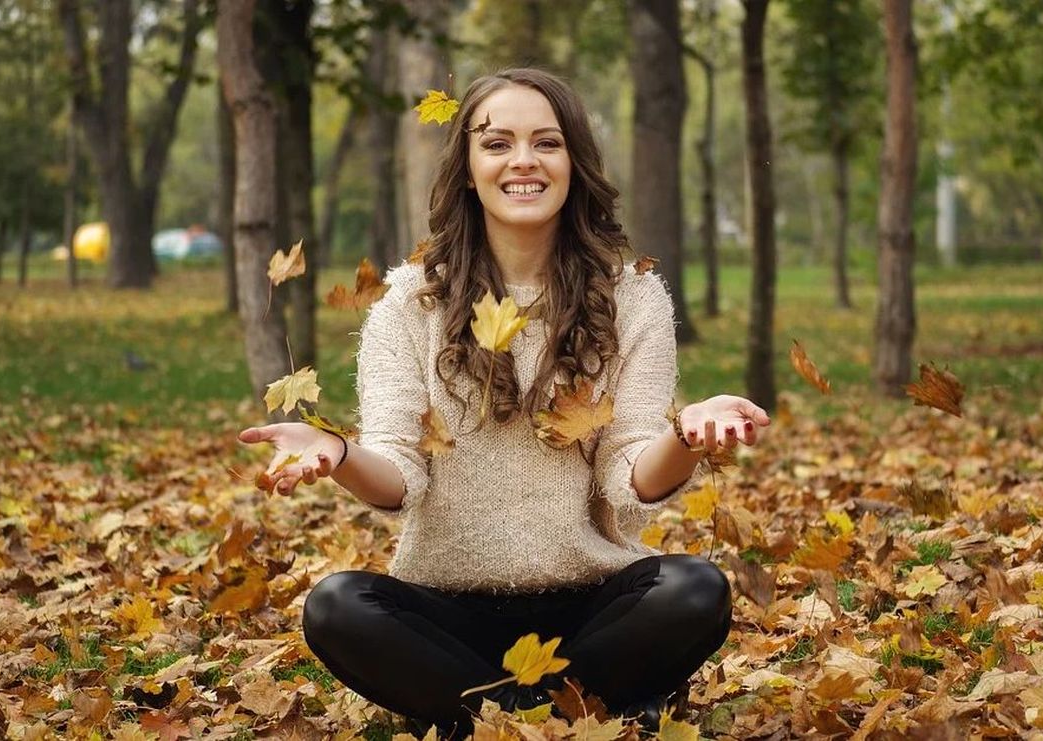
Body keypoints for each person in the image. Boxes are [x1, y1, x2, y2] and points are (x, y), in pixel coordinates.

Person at [238, 68, 769, 739]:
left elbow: (630, 476)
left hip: (592, 608)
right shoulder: (408, 303)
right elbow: (399, 477)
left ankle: (492, 721)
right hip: (448, 615)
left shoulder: (632, 299)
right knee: (338, 605)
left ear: (574, 162)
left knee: (695, 590)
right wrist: (339, 452)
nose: (523, 160)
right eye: (497, 144)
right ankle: (568, 716)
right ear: (466, 167)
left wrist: (686, 437)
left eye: (546, 142)